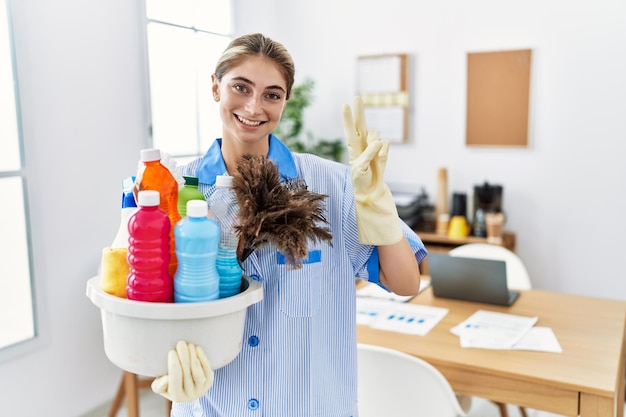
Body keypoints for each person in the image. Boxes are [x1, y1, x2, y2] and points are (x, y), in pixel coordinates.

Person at [151, 32, 427, 417]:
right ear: (215, 87)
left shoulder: (333, 185)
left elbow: (406, 282)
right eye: (240, 87)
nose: (254, 106)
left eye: (272, 94)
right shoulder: (177, 189)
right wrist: (165, 371)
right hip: (212, 407)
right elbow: (153, 302)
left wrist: (382, 211)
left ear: (285, 101)